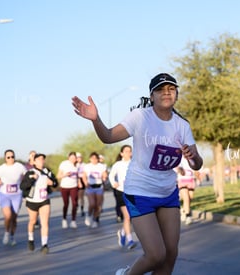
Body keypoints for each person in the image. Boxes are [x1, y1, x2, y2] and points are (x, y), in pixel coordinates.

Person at [72, 72, 203, 275]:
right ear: (151, 96)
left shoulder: (182, 125)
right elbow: (107, 137)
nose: (166, 93)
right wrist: (95, 119)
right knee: (156, 255)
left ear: (176, 94)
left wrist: (193, 156)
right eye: (160, 90)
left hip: (168, 193)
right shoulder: (140, 117)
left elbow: (196, 164)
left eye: (171, 89)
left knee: (170, 255)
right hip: (140, 192)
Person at [20, 153, 58, 254]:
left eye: (43, 159)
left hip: (44, 200)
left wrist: (52, 183)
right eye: (39, 159)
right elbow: (23, 186)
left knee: (44, 223)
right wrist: (32, 179)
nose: (41, 161)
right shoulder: (30, 172)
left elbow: (55, 183)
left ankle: (44, 245)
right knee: (32, 221)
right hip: (32, 201)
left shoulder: (47, 171)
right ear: (35, 161)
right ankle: (31, 238)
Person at [0, 149, 27, 245]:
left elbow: (26, 175)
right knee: (8, 215)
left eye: (12, 156)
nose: (10, 158)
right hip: (4, 194)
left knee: (14, 218)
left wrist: (25, 182)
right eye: (8, 157)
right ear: (5, 158)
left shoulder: (19, 166)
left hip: (17, 195)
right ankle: (6, 233)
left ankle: (12, 236)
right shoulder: (1, 168)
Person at [109, 145, 137, 250]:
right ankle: (130, 240)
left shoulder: (135, 163)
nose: (128, 153)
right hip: (121, 191)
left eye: (130, 151)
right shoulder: (118, 164)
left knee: (133, 216)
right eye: (126, 151)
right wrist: (113, 183)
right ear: (121, 153)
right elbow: (111, 175)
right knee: (128, 216)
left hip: (133, 192)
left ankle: (122, 232)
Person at [82, 152, 107, 228]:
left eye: (95, 158)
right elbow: (84, 176)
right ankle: (89, 215)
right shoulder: (87, 166)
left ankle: (95, 219)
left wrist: (105, 177)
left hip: (99, 187)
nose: (94, 160)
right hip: (90, 187)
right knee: (92, 204)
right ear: (90, 159)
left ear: (98, 159)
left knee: (98, 205)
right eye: (92, 158)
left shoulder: (101, 166)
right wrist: (86, 183)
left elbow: (104, 174)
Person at [57, 152, 80, 229]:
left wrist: (79, 182)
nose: (73, 159)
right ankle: (64, 219)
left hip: (74, 186)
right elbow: (58, 176)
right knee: (66, 204)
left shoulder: (77, 165)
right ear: (68, 157)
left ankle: (73, 221)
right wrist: (65, 175)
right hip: (64, 186)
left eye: (74, 158)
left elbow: (78, 176)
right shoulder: (64, 164)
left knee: (74, 203)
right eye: (71, 158)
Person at [176, 156, 197, 225]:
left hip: (191, 180)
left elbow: (195, 168)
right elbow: (175, 167)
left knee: (190, 198)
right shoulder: (179, 157)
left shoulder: (191, 158)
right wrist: (179, 169)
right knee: (186, 198)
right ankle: (188, 216)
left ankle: (184, 210)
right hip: (182, 180)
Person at [76, 152, 86, 217]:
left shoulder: (84, 165)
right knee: (76, 196)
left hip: (82, 179)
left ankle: (82, 209)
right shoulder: (74, 165)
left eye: (80, 157)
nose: (79, 159)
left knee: (81, 196)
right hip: (75, 180)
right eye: (78, 157)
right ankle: (76, 207)